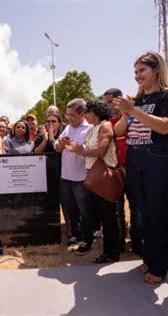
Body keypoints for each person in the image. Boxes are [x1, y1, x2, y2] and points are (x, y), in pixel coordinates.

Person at [113, 51, 168, 285]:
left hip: (159, 161)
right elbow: (120, 131)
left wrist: (133, 111)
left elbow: (165, 128)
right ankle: (151, 258)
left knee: (158, 214)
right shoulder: (138, 100)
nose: (137, 76)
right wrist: (127, 112)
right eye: (135, 72)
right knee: (142, 213)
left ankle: (159, 267)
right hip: (135, 160)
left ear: (157, 70)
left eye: (142, 70)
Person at [70, 100, 120, 263]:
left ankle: (111, 253)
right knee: (102, 216)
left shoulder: (105, 126)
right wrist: (76, 148)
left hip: (103, 177)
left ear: (96, 112)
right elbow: (87, 149)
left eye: (87, 112)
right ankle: (110, 251)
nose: (85, 115)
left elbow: (101, 150)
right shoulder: (93, 128)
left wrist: (82, 152)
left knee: (108, 217)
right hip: (94, 176)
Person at [54, 99, 93, 255]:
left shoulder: (90, 128)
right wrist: (62, 144)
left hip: (81, 178)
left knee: (86, 211)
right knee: (71, 210)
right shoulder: (68, 128)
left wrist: (80, 148)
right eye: (67, 114)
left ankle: (87, 240)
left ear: (82, 114)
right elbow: (57, 147)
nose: (68, 118)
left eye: (72, 115)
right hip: (66, 177)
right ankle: (75, 235)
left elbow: (92, 150)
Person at [103, 88, 131, 253]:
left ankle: (138, 243)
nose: (105, 105)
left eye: (108, 101)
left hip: (133, 170)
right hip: (113, 172)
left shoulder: (133, 118)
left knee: (138, 209)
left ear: (117, 100)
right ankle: (119, 244)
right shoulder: (104, 123)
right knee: (117, 209)